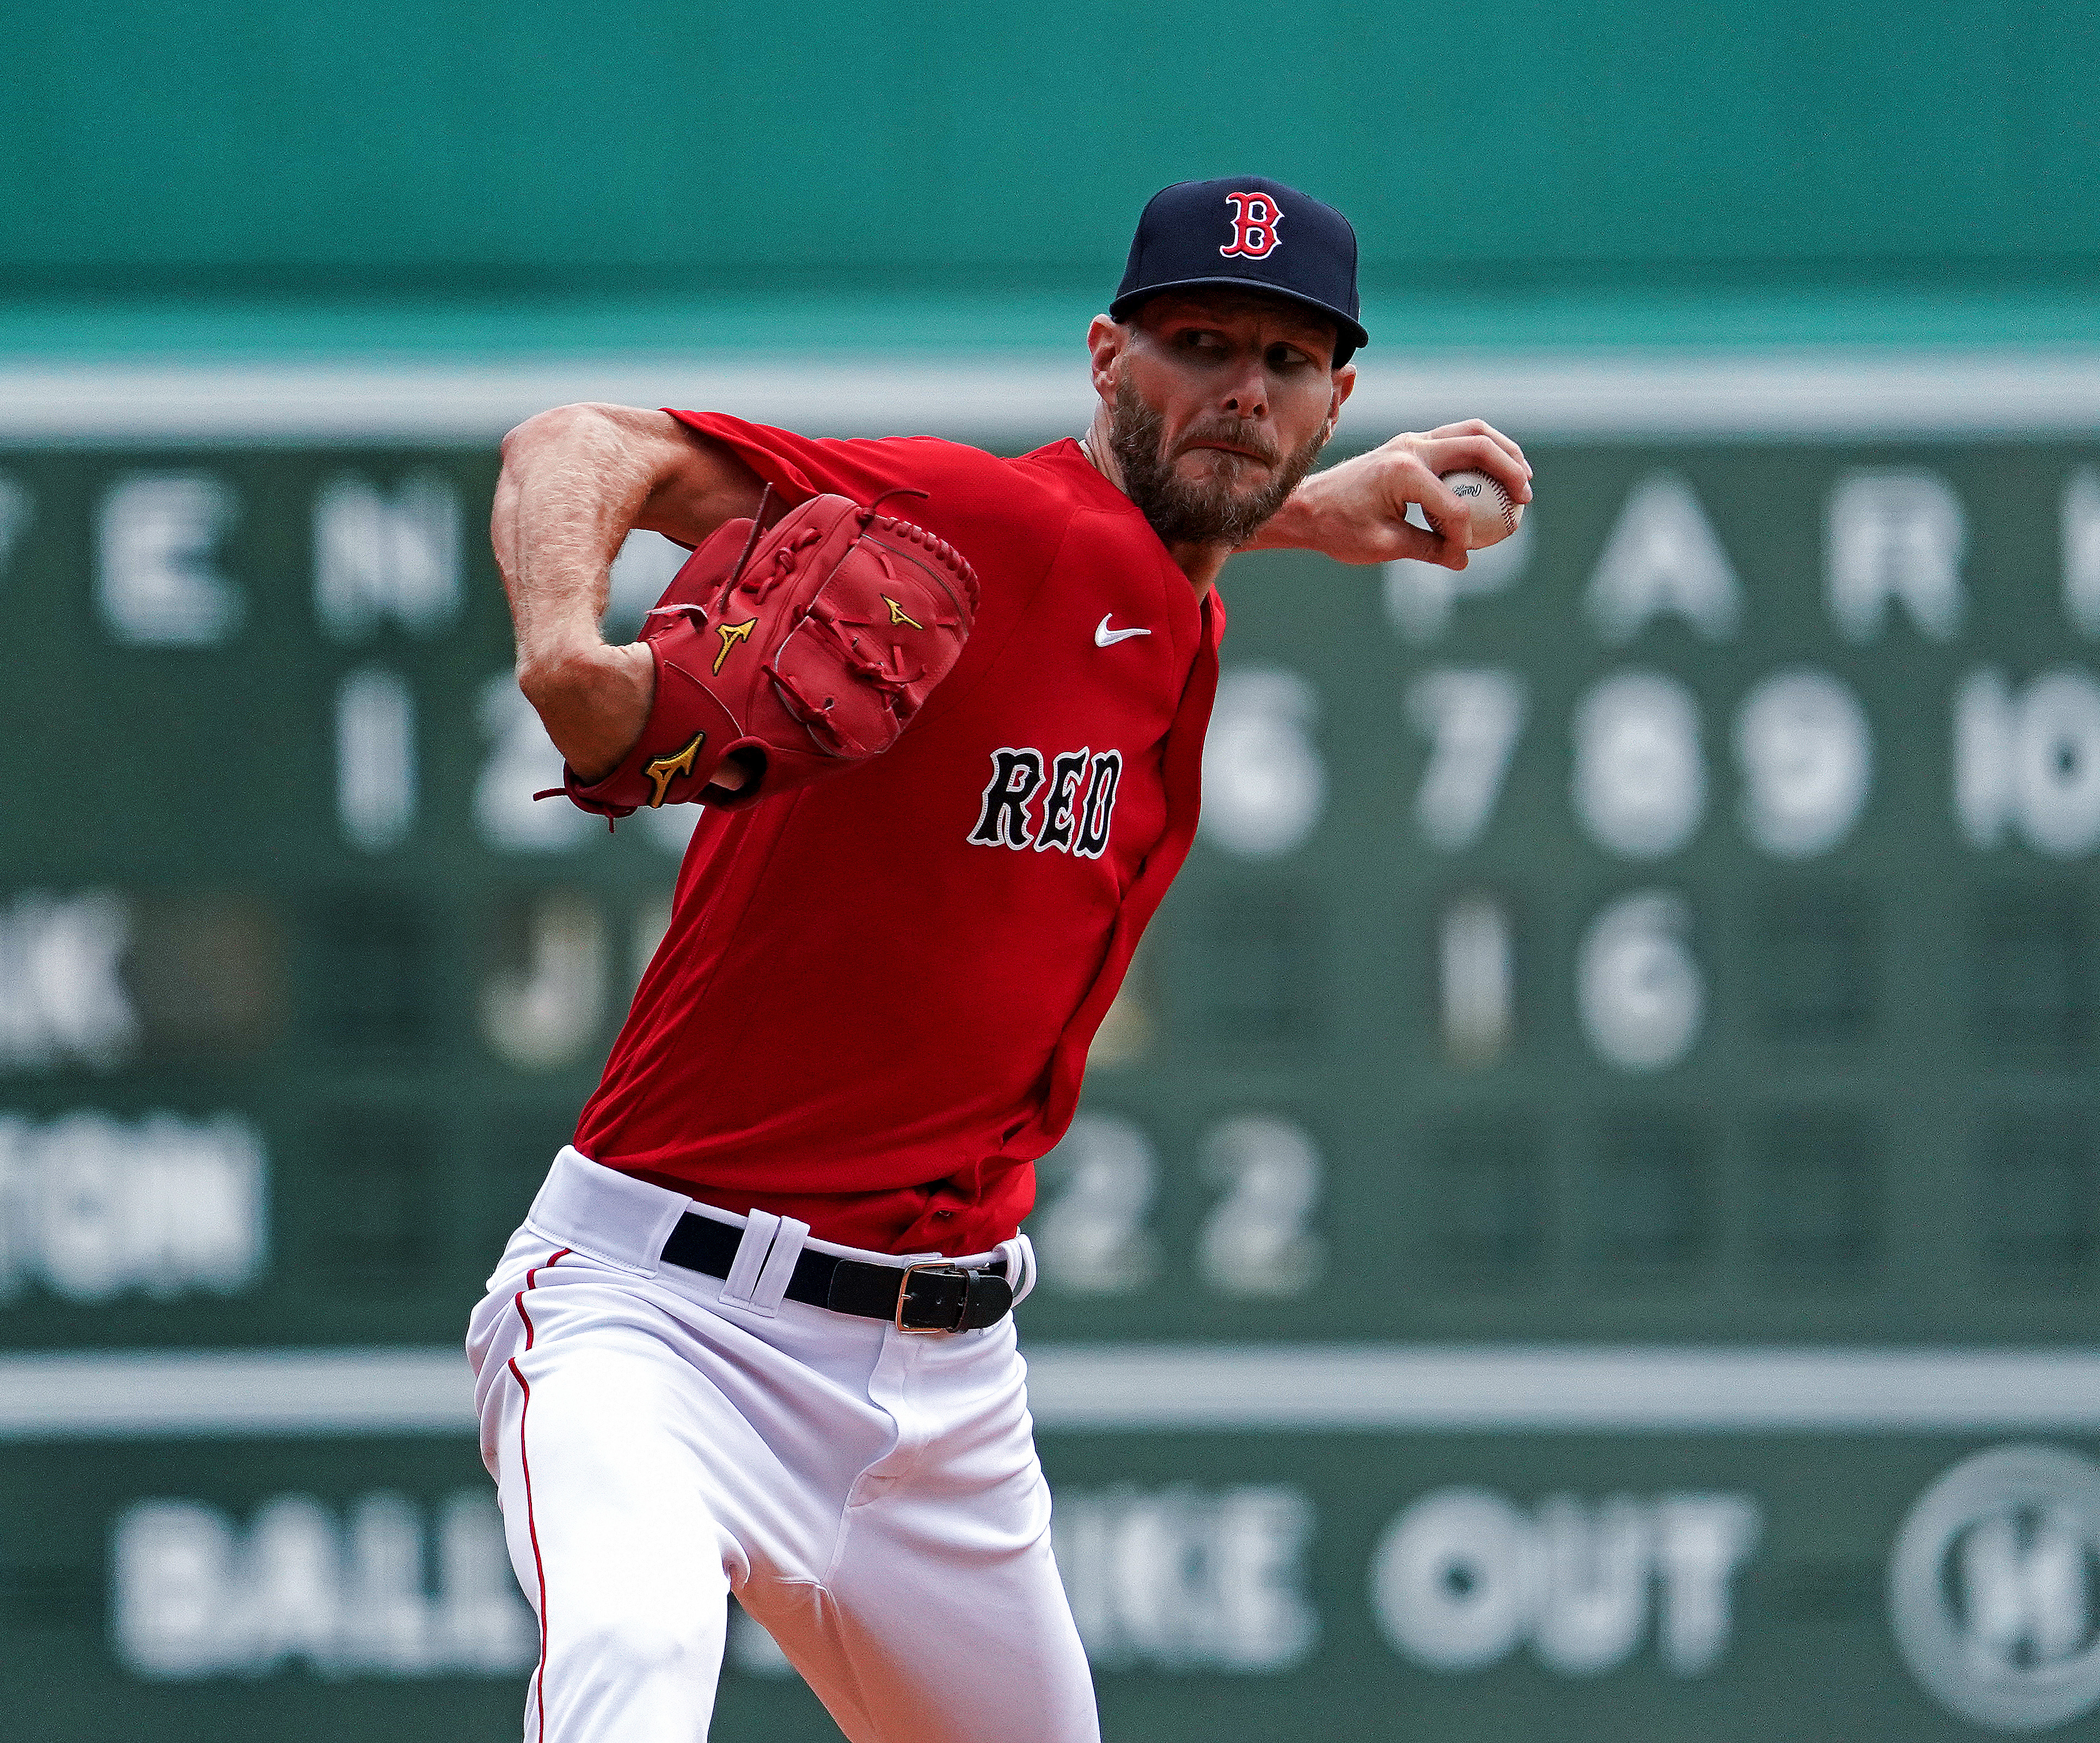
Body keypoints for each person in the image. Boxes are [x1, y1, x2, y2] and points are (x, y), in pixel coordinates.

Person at [468, 176, 1531, 1743]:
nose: (1240, 388)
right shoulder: (984, 522)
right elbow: (577, 443)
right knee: (633, 1665)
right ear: (1106, 359)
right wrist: (568, 657)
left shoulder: (1165, 586)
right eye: (1196, 343)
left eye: (1285, 365)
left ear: (1338, 398)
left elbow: (1154, 531)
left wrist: (1289, 503)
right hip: (661, 1319)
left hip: (944, 1396)